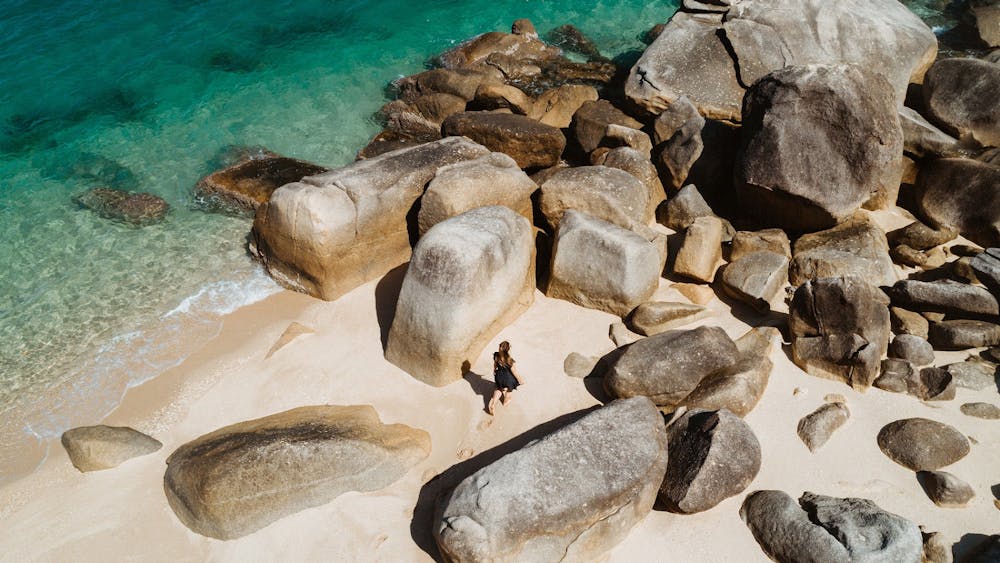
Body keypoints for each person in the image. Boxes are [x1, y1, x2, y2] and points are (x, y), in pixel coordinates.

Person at [488, 341, 523, 415]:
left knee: (499, 388)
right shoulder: (509, 360)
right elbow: (514, 372)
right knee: (509, 390)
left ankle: (493, 403)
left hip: (499, 376)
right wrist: (520, 380)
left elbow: (495, 365)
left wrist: (494, 370)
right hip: (508, 379)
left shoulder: (496, 355)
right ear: (508, 350)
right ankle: (506, 400)